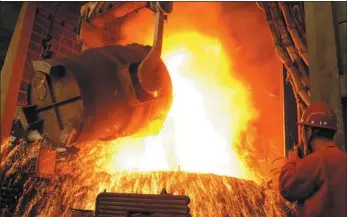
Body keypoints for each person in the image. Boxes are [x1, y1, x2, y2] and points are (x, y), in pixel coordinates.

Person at [279, 102, 346, 217]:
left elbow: (286, 188)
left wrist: (292, 161)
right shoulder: (343, 159)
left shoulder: (316, 161)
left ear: (308, 132)